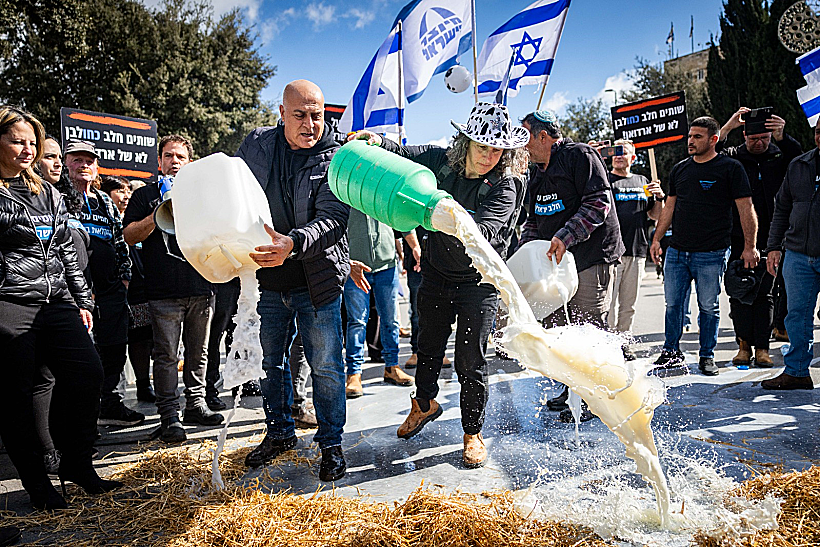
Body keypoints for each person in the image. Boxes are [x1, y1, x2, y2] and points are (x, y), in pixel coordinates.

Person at [351, 102, 529, 468]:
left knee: (471, 361)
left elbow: (486, 232)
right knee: (427, 348)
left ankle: (472, 431)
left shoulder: (506, 184)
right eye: (483, 147)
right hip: (435, 273)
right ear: (466, 142)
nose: (489, 157)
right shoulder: (442, 160)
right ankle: (425, 403)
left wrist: (432, 214)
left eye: (497, 150)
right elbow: (404, 153)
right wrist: (376, 139)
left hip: (478, 282)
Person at [0, 105, 122, 511]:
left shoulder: (44, 190)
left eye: (32, 142)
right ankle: (36, 482)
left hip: (57, 303)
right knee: (17, 397)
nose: (27, 149)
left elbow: (67, 250)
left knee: (88, 373)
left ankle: (77, 464)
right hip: (10, 303)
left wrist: (82, 300)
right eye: (17, 140)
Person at [237, 80, 349, 482]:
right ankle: (280, 433)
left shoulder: (337, 158)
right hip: (267, 281)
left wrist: (294, 243)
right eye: (300, 115)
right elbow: (237, 193)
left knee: (326, 366)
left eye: (317, 115)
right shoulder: (257, 145)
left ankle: (331, 444)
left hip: (316, 281)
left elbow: (335, 218)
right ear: (281, 114)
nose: (310, 124)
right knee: (270, 364)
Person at [519, 110, 625, 422]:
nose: (521, 146)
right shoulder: (535, 173)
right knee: (561, 331)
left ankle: (599, 396)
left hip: (590, 256)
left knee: (588, 325)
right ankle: (574, 389)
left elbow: (598, 204)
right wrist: (527, 250)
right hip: (556, 262)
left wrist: (565, 236)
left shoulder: (580, 155)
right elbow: (534, 222)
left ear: (542, 136)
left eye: (525, 137)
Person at [123, 135, 223, 443]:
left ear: (190, 162)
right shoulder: (143, 195)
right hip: (162, 291)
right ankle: (169, 417)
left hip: (201, 286)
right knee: (165, 355)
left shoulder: (204, 194)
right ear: (159, 161)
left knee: (199, 352)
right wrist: (156, 214)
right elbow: (128, 236)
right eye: (168, 156)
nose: (174, 161)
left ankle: (195, 405)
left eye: (180, 156)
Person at [650, 116, 759, 375]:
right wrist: (656, 239)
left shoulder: (730, 168)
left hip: (712, 253)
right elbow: (669, 208)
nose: (691, 141)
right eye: (690, 136)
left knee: (708, 307)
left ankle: (706, 355)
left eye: (697, 137)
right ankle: (670, 352)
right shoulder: (680, 169)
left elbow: (746, 209)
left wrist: (749, 246)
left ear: (714, 139)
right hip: (677, 251)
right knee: (673, 305)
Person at [65, 140, 144, 427]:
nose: (83, 165)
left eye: (89, 160)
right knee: (82, 357)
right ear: (66, 163)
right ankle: (82, 418)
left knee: (114, 349)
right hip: (75, 293)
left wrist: (123, 278)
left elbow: (120, 241)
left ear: (96, 166)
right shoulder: (57, 197)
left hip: (111, 290)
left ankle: (110, 404)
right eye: (77, 159)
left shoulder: (104, 201)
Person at [718, 108, 802, 367]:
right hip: (738, 234)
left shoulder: (779, 154)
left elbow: (800, 161)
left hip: (773, 234)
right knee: (740, 290)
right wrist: (728, 126)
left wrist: (782, 136)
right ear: (744, 136)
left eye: (764, 138)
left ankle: (763, 348)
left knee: (767, 292)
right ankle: (743, 345)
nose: (759, 143)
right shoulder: (734, 157)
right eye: (754, 139)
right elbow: (710, 153)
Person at [762, 118, 820, 390]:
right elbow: (781, 208)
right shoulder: (799, 165)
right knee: (796, 316)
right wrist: (774, 246)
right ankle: (797, 372)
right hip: (797, 254)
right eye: (819, 132)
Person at [343, 214, 416, 398]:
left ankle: (392, 367)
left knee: (390, 320)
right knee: (357, 322)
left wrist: (414, 246)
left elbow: (402, 218)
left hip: (387, 265)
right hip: (355, 267)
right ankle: (354, 374)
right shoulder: (345, 190)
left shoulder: (383, 191)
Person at [604, 139, 664, 358]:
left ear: (633, 157)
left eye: (624, 153)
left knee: (629, 304)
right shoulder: (606, 180)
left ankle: (623, 342)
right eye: (616, 152)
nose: (619, 156)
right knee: (608, 304)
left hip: (637, 250)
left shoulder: (642, 181)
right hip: (611, 252)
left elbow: (655, 215)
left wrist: (658, 197)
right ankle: (608, 343)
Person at [101, 175, 155, 403]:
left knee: (141, 339)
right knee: (114, 344)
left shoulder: (136, 220)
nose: (126, 195)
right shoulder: (103, 219)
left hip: (140, 289)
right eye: (120, 190)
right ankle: (112, 395)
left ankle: (144, 385)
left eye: (127, 190)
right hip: (112, 290)